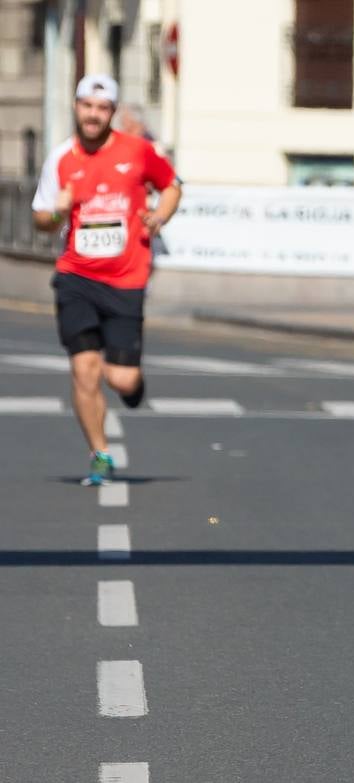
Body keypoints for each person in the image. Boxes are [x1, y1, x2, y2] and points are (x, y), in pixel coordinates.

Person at [31, 74, 181, 486]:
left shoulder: (137, 151)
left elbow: (171, 186)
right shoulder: (61, 158)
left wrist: (160, 215)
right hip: (76, 276)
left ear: (111, 112)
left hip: (126, 278)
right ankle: (99, 454)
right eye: (86, 106)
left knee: (121, 379)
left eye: (101, 108)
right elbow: (41, 220)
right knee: (84, 371)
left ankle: (133, 385)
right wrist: (58, 211)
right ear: (76, 107)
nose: (92, 115)